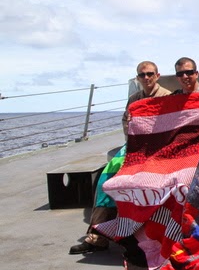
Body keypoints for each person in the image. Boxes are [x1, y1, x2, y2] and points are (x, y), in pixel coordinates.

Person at [69, 60, 171, 255]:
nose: (146, 78)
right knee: (105, 182)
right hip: (134, 148)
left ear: (157, 76)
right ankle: (97, 237)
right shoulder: (134, 99)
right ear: (137, 78)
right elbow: (126, 123)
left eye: (150, 74)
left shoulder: (167, 97)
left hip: (158, 149)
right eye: (142, 75)